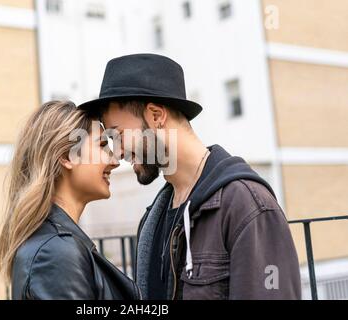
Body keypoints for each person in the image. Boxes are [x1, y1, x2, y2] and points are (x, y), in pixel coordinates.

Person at [78, 53, 301, 300]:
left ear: (155, 116)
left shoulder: (246, 206)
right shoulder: (153, 220)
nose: (117, 152)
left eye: (118, 134)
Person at [0, 101, 140, 300]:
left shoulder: (53, 245)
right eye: (101, 145)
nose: (114, 161)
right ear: (67, 156)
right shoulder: (56, 253)